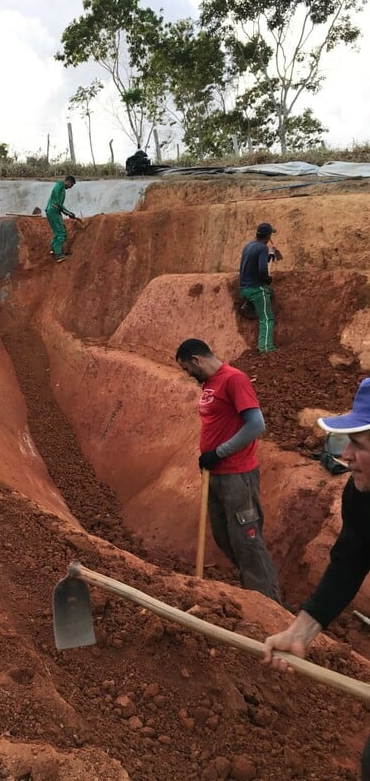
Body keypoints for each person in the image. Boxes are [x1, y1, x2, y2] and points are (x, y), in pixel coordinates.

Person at [263, 377, 370, 779]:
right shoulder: (360, 495)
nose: (345, 455)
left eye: (358, 445)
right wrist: (300, 633)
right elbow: (348, 562)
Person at [175, 338, 282, 603]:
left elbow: (256, 425)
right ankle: (253, 592)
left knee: (246, 539)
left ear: (197, 360)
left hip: (237, 475)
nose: (188, 374)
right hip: (216, 475)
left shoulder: (234, 379)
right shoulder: (211, 384)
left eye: (187, 368)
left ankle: (269, 604)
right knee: (225, 537)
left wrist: (218, 453)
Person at [239, 222, 282, 353]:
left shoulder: (249, 246)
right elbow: (262, 270)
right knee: (267, 318)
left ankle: (249, 305)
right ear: (268, 236)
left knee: (270, 292)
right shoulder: (263, 248)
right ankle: (266, 348)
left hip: (243, 288)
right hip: (255, 289)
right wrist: (266, 279)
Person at [45, 175, 76, 263]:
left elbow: (60, 204)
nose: (70, 187)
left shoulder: (62, 189)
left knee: (59, 230)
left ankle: (53, 249)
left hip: (54, 211)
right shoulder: (59, 186)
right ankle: (58, 255)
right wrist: (67, 212)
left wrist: (67, 212)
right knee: (61, 232)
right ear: (68, 181)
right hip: (53, 211)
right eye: (71, 185)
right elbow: (57, 200)